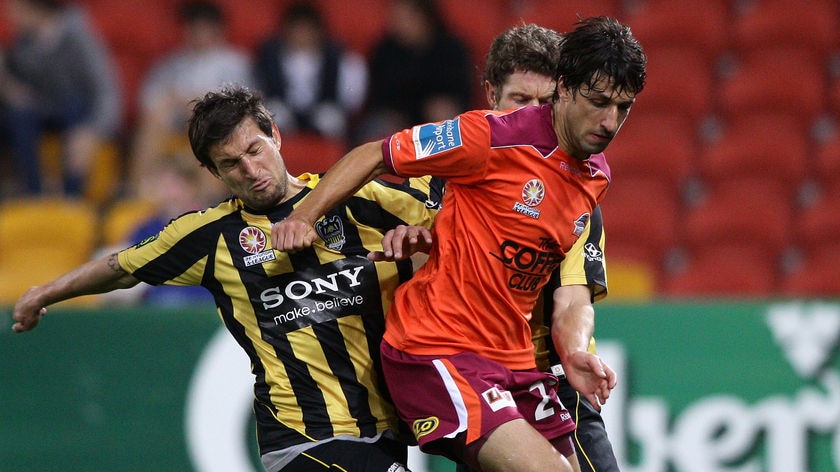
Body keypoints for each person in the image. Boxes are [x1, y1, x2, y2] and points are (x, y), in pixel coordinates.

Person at [272, 16, 647, 472]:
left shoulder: (595, 175)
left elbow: (569, 296)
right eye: (598, 102)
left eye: (623, 108)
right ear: (565, 88)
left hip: (514, 362)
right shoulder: (489, 137)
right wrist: (303, 215)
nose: (609, 122)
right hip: (438, 350)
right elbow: (375, 155)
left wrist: (571, 352)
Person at [12, 85, 442, 472]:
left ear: (275, 134)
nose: (250, 170)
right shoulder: (208, 236)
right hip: (303, 437)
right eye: (231, 164)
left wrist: (422, 243)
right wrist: (45, 292)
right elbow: (120, 269)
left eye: (254, 150)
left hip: (390, 425)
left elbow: (461, 219)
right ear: (214, 173)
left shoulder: (364, 200)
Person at [128, 0, 252, 198]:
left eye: (205, 28)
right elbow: (150, 101)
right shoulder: (172, 63)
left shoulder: (235, 63)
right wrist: (173, 102)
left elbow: (246, 107)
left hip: (214, 131)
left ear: (218, 30)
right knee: (153, 121)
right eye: (195, 28)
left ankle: (206, 199)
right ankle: (140, 194)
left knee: (207, 122)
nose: (200, 34)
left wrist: (199, 105)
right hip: (173, 128)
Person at [0, 0, 121, 196]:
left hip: (74, 112)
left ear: (35, 9)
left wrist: (94, 130)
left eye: (15, 11)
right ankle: (32, 192)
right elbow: (18, 88)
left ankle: (72, 194)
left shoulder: (79, 36)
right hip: (38, 110)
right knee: (18, 115)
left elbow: (105, 89)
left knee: (74, 106)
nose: (10, 17)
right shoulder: (21, 41)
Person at [356, 0, 473, 143]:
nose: (395, 23)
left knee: (447, 119)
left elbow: (460, 90)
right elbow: (377, 96)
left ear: (422, 17)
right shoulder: (385, 50)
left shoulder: (450, 48)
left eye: (403, 17)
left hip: (435, 116)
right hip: (396, 117)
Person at [253, 0, 368, 140]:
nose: (302, 36)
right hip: (283, 112)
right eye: (297, 30)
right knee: (274, 114)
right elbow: (257, 89)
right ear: (286, 31)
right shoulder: (269, 55)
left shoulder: (336, 57)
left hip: (323, 111)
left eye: (307, 30)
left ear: (318, 32)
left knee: (331, 119)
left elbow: (351, 99)